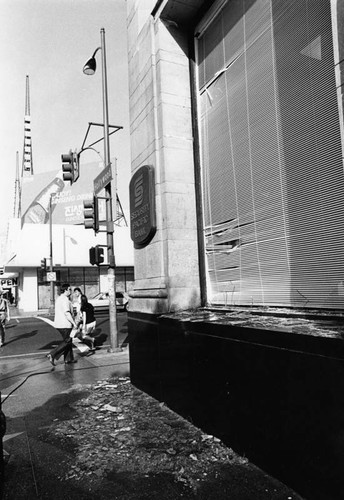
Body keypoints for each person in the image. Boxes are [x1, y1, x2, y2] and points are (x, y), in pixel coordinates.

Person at [47, 283, 78, 366]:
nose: (70, 291)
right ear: (65, 290)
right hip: (65, 324)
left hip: (60, 323)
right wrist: (74, 323)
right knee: (67, 341)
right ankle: (52, 354)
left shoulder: (59, 299)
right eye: (69, 289)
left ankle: (68, 359)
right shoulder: (64, 300)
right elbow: (67, 313)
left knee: (68, 341)